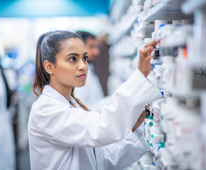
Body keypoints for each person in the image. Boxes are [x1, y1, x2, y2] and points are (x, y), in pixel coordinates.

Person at [28, 31, 161, 170]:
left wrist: (131, 129)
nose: (83, 66)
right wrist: (139, 75)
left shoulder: (72, 106)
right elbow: (101, 127)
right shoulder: (45, 110)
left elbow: (99, 162)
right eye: (73, 59)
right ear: (49, 67)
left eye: (84, 58)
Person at [74, 31, 104, 109]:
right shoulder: (77, 74)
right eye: (91, 47)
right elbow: (82, 108)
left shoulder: (89, 69)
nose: (96, 52)